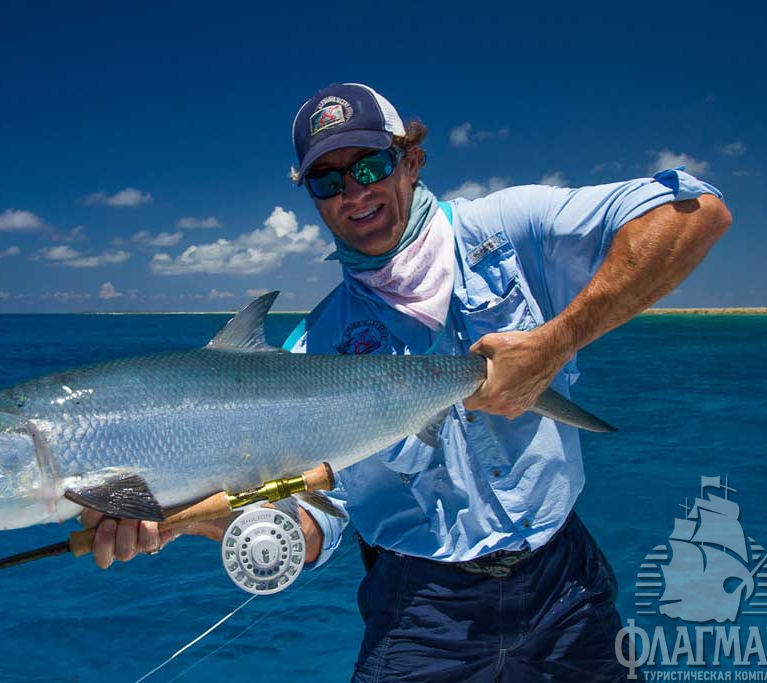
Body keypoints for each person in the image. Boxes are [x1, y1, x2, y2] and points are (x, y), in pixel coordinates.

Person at [80, 83, 731, 681]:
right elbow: (316, 518)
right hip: (420, 609)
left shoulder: (510, 229)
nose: (355, 193)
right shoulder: (316, 349)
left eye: (369, 166)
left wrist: (557, 340)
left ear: (411, 162)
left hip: (564, 581)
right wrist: (182, 521)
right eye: (328, 181)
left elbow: (697, 209)